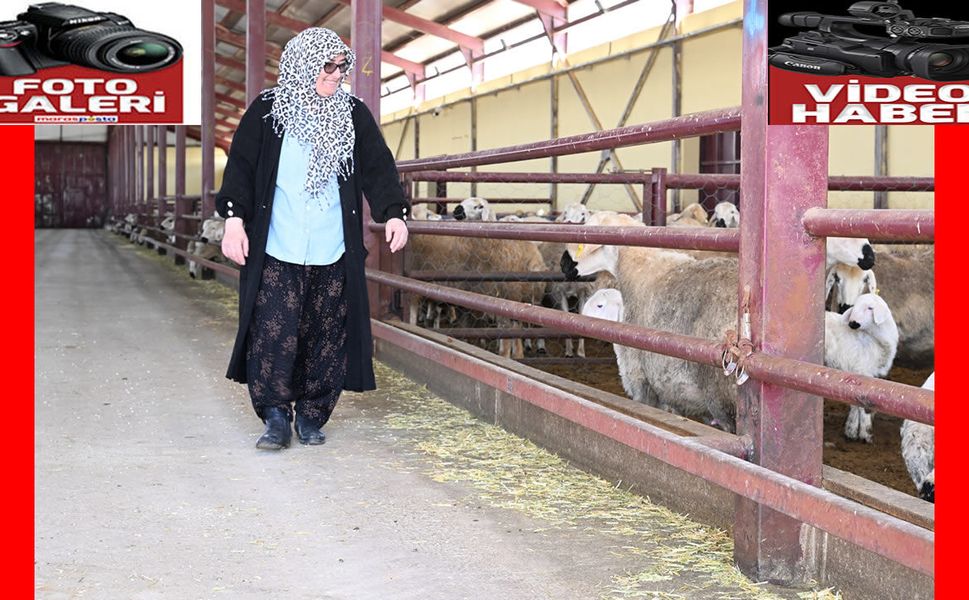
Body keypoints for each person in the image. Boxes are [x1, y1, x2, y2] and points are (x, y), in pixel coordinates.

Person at [215, 27, 410, 450]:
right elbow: (242, 168)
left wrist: (394, 213)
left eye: (342, 66)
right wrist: (233, 221)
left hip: (331, 245)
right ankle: (274, 416)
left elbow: (378, 166)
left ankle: (312, 415)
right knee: (274, 329)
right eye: (327, 65)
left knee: (326, 333)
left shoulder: (352, 113)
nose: (337, 74)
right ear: (302, 64)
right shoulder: (268, 110)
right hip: (278, 242)